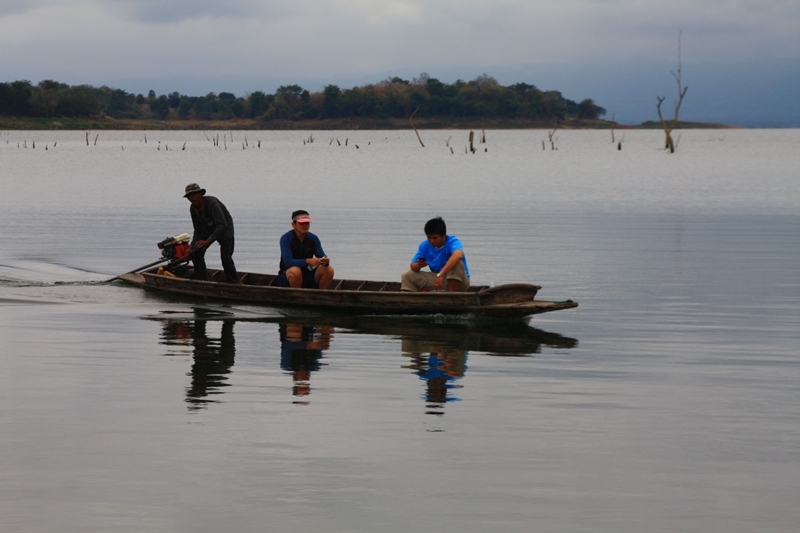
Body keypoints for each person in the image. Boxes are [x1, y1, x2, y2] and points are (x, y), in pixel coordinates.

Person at [184, 183, 238, 283]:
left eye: (195, 194)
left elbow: (222, 225)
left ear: (200, 194)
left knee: (226, 258)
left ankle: (233, 283)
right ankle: (202, 280)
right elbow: (198, 230)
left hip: (225, 229)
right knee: (196, 253)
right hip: (208, 229)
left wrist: (208, 241)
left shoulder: (212, 203)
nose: (193, 198)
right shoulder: (193, 209)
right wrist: (191, 247)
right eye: (190, 196)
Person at [401, 217, 470, 292]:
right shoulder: (424, 245)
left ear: (443, 235)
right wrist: (419, 265)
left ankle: (452, 297)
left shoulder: (453, 242)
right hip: (439, 279)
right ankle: (411, 300)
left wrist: (441, 274)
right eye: (429, 238)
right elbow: (413, 266)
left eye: (435, 238)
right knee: (407, 275)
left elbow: (458, 256)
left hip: (460, 281)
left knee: (457, 263)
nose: (432, 241)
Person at [277, 210, 334, 289]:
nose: (305, 225)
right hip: (288, 275)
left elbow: (322, 256)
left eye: (307, 223)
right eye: (301, 223)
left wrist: (325, 261)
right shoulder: (286, 238)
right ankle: (297, 297)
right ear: (293, 224)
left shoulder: (313, 238)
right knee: (295, 271)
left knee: (329, 270)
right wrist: (308, 261)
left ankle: (320, 297)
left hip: (308, 274)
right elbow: (288, 262)